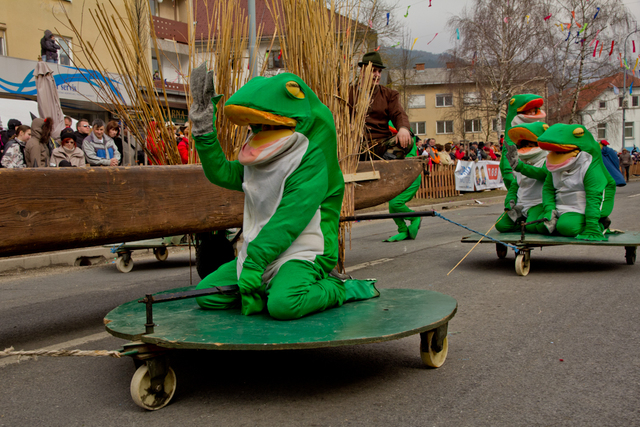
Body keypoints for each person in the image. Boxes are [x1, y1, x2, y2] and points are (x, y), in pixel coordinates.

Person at [351, 52, 412, 160]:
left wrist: (403, 129)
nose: (377, 75)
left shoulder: (389, 94)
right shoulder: (349, 93)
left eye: (379, 71)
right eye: (373, 70)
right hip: (355, 146)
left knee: (407, 141)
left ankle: (384, 163)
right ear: (362, 72)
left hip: (381, 144)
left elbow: (398, 113)